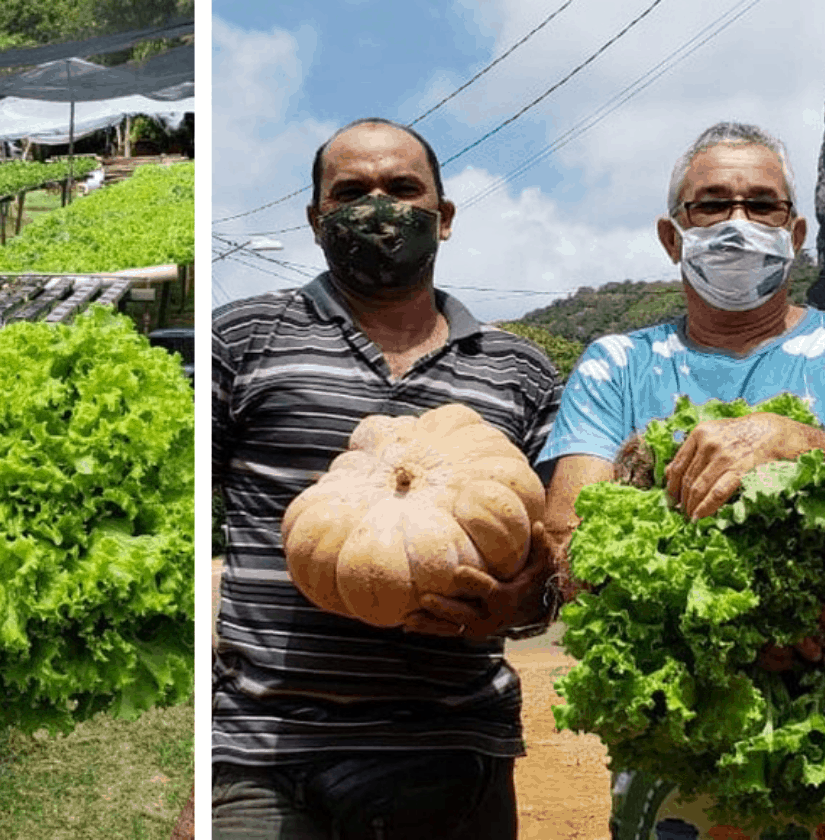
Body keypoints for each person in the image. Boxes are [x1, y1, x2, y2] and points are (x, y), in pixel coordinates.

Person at [538, 121, 825, 839]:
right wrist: (728, 634)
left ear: (795, 232)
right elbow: (569, 542)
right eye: (711, 205)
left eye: (762, 205)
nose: (738, 222)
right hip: (682, 758)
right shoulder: (617, 363)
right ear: (673, 237)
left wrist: (803, 445)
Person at [211, 117, 563, 840]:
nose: (378, 207)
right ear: (317, 220)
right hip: (262, 752)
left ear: (445, 215)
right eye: (351, 192)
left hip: (451, 750)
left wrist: (516, 605)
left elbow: (551, 559)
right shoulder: (241, 337)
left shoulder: (519, 369)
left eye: (403, 188)